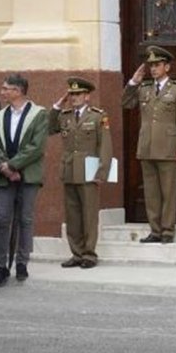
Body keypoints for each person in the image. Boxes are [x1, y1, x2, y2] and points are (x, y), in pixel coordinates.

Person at [123, 46, 176, 243]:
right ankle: (155, 230)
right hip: (147, 146)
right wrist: (133, 82)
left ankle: (168, 230)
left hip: (168, 146)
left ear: (167, 67)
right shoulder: (143, 88)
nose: (153, 69)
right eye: (151, 65)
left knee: (168, 192)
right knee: (151, 192)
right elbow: (126, 103)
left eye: (158, 65)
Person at [0, 74, 49, 286]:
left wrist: (14, 165)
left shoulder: (39, 114)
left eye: (6, 89)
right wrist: (6, 168)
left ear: (18, 91)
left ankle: (22, 262)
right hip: (4, 176)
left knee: (25, 219)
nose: (2, 92)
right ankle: (0, 266)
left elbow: (37, 146)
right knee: (2, 219)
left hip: (28, 175)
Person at [50, 78, 114, 269]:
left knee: (89, 214)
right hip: (69, 169)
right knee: (73, 215)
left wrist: (102, 171)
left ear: (87, 96)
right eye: (71, 94)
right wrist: (56, 107)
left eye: (78, 94)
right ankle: (76, 253)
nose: (74, 98)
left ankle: (89, 254)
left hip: (89, 169)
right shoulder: (65, 116)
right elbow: (49, 128)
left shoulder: (98, 116)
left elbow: (105, 146)